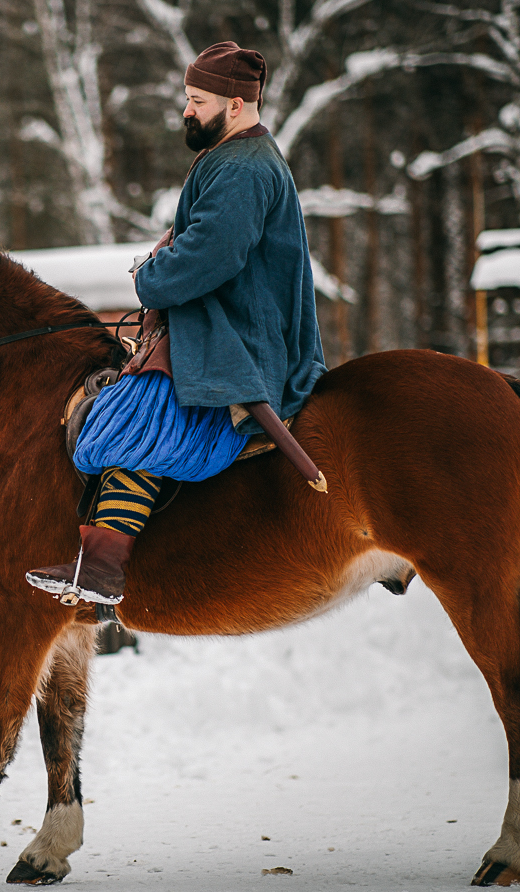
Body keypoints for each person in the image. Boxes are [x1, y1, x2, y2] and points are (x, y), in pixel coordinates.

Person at [27, 41, 326, 606]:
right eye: (187, 99)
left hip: (237, 346)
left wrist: (149, 279)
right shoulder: (235, 157)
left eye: (197, 100)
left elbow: (208, 257)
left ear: (235, 105)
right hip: (217, 332)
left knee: (136, 426)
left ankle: (104, 571)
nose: (186, 111)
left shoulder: (242, 167)